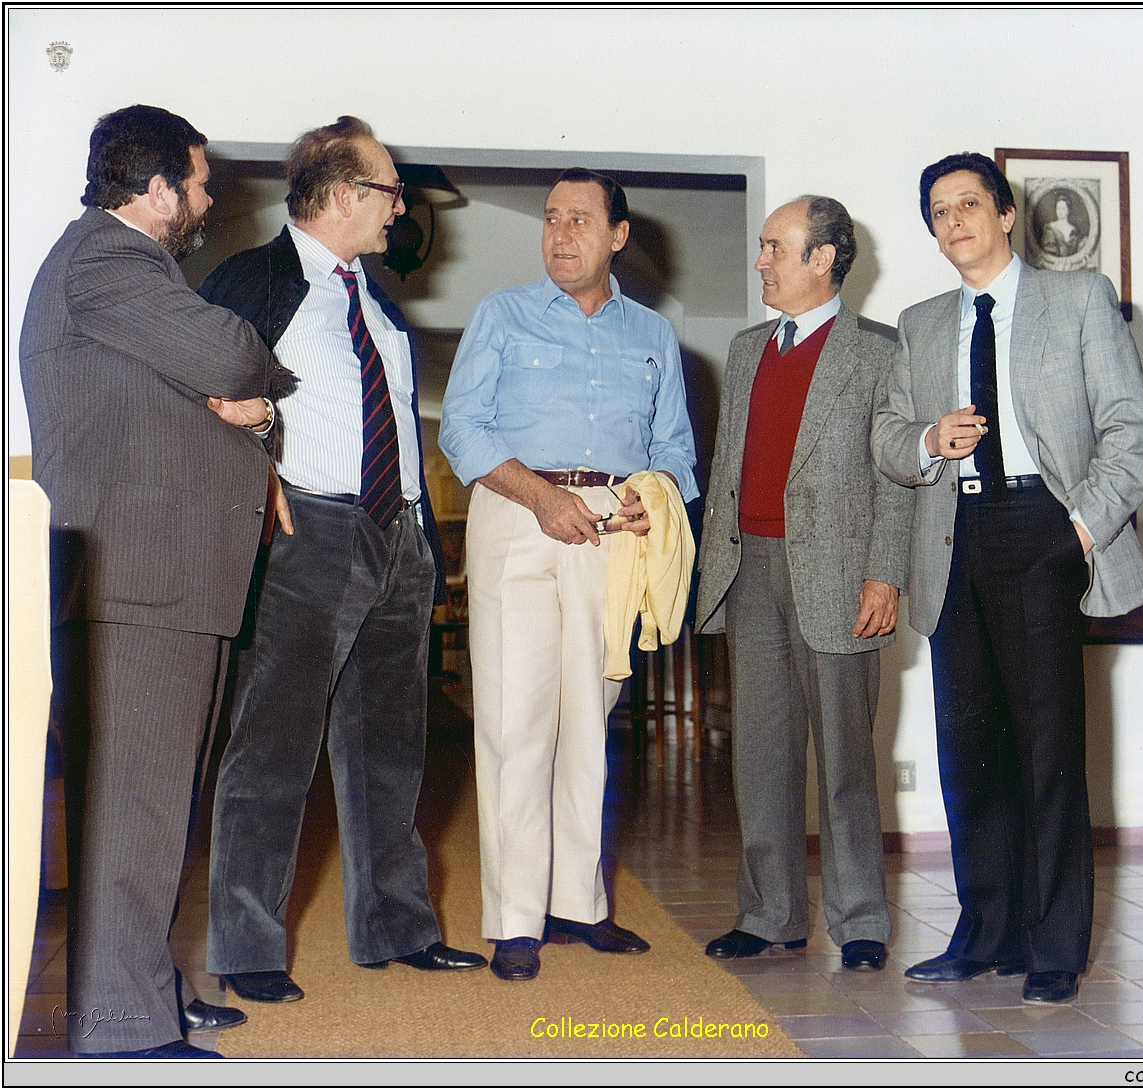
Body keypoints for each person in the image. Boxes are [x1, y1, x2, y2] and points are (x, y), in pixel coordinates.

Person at [201, 116, 486, 1003]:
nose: (402, 211)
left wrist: (424, 547)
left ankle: (397, 929)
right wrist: (254, 484)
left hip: (398, 536)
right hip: (308, 537)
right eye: (393, 191)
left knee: (392, 748)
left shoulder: (373, 297)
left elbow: (393, 420)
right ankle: (247, 949)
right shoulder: (252, 281)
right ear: (346, 195)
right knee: (274, 748)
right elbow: (202, 398)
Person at [19, 104, 277, 1058]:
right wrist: (238, 385)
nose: (209, 197)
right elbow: (232, 355)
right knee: (134, 812)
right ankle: (124, 1028)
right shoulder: (106, 260)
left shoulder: (132, 277)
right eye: (201, 181)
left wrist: (245, 418)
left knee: (148, 809)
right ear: (159, 187)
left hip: (159, 581)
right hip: (140, 584)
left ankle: (142, 989)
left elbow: (235, 401)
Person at [873, 152, 1143, 1005]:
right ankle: (984, 933)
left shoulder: (1077, 298)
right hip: (953, 534)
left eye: (968, 203)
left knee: (1049, 751)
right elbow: (887, 436)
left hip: (1045, 527)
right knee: (970, 751)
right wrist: (928, 441)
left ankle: (1055, 946)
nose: (952, 220)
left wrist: (1079, 526)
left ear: (1005, 214)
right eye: (937, 210)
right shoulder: (921, 323)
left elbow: (1128, 425)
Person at [439, 168, 697, 982]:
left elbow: (676, 453)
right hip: (519, 515)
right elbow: (463, 429)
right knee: (517, 722)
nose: (559, 234)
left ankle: (579, 904)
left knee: (592, 720)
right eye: (551, 219)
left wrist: (653, 503)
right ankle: (515, 918)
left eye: (580, 220)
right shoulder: (501, 315)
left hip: (614, 530)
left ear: (618, 236)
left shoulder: (654, 336)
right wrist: (543, 497)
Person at [695, 197, 913, 971]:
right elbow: (728, 467)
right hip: (750, 567)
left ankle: (861, 923)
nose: (760, 262)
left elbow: (899, 478)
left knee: (847, 761)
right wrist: (710, 567)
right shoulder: (748, 347)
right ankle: (771, 915)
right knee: (760, 753)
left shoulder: (882, 352)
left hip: (842, 578)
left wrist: (887, 571)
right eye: (762, 248)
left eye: (773, 249)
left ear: (822, 259)